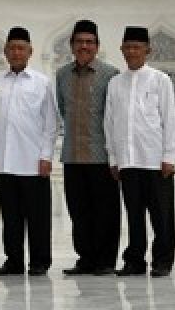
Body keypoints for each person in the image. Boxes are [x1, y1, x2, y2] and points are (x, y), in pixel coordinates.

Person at [0, 26, 58, 276]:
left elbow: (50, 123)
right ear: (5, 51)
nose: (16, 52)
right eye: (12, 48)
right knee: (10, 217)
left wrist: (46, 155)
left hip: (33, 161)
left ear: (30, 51)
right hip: (4, 161)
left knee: (38, 217)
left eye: (21, 48)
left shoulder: (42, 83)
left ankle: (39, 261)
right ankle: (13, 260)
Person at [104, 26, 175, 277]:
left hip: (155, 161)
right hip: (128, 161)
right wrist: (114, 159)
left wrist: (169, 157)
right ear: (121, 50)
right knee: (134, 216)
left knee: (162, 217)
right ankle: (134, 261)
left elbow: (169, 119)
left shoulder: (160, 80)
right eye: (127, 47)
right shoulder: (115, 83)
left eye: (137, 47)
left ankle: (162, 261)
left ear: (148, 50)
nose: (131, 52)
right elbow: (110, 123)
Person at [55, 19, 120, 276]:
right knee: (78, 212)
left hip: (102, 156)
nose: (84, 46)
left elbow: (114, 115)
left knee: (106, 212)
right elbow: (63, 109)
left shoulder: (110, 75)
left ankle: (105, 261)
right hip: (72, 155)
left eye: (89, 42)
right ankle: (85, 258)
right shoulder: (62, 75)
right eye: (79, 42)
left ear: (97, 46)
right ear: (71, 45)